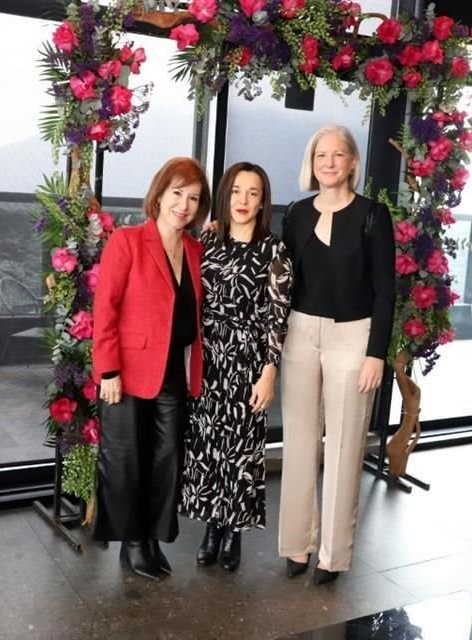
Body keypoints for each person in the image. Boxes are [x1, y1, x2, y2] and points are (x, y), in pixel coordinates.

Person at [278, 124, 395, 585]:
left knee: (345, 446)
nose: (328, 162)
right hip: (301, 333)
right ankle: (297, 546)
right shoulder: (295, 214)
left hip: (354, 336)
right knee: (301, 443)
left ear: (352, 163)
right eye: (320, 154)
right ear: (312, 162)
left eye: (338, 154)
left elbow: (386, 290)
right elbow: (279, 276)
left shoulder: (372, 215)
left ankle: (333, 555)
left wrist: (376, 354)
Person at [91, 157, 211, 581]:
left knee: (167, 457)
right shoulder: (127, 241)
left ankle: (154, 536)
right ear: (159, 194)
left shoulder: (196, 249)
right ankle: (133, 542)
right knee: (127, 459)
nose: (184, 204)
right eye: (177, 193)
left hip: (173, 369)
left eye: (193, 198)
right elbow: (105, 308)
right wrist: (108, 370)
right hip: (126, 369)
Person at [180, 162, 293, 572]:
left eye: (253, 193)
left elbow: (277, 316)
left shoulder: (273, 249)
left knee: (242, 449)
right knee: (208, 445)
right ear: (225, 195)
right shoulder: (206, 242)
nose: (243, 201)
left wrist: (269, 371)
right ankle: (212, 526)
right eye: (237, 191)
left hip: (248, 359)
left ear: (263, 201)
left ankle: (234, 533)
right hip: (208, 356)